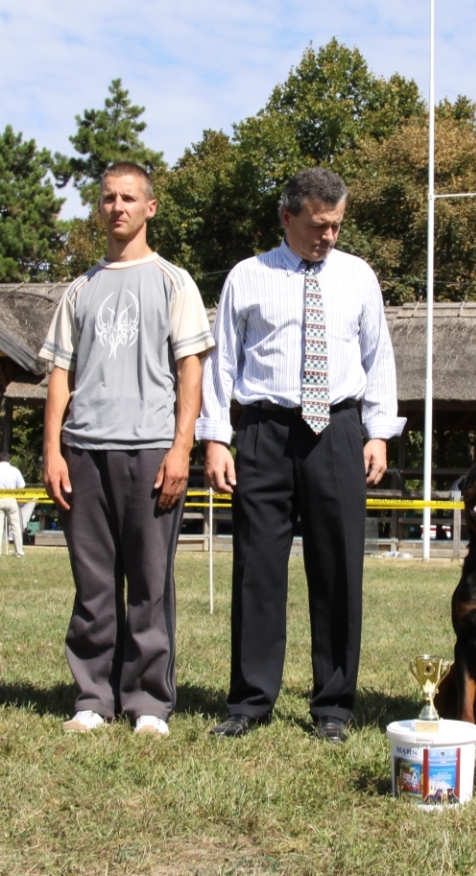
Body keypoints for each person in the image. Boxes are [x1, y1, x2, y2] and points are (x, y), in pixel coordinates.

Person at [198, 168, 404, 742]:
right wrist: (216, 436)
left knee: (338, 569)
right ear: (287, 217)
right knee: (257, 569)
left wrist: (378, 431)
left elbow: (378, 355)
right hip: (263, 430)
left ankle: (334, 707)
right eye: (318, 225)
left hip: (337, 428)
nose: (330, 236)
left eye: (337, 225)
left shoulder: (359, 276)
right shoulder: (247, 276)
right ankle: (249, 702)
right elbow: (224, 364)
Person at [40, 161, 214, 736]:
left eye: (129, 198)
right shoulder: (79, 289)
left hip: (149, 449)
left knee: (148, 581)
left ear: (149, 208)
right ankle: (92, 697)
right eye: (109, 198)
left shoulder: (174, 281)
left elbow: (191, 372)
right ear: (101, 208)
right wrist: (52, 449)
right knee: (92, 583)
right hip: (84, 450)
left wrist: (180, 448)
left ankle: (147, 702)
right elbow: (59, 375)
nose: (118, 207)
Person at [0, 452, 25, 557]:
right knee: (16, 527)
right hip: (11, 500)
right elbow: (21, 486)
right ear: (9, 460)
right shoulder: (15, 471)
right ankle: (19, 551)